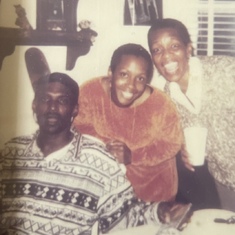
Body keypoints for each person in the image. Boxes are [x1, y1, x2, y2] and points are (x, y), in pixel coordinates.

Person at [0, 72, 191, 234]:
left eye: (62, 101)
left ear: (74, 110)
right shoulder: (10, 153)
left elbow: (127, 215)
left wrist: (162, 211)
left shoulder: (98, 161)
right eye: (45, 99)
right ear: (34, 105)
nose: (52, 107)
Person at [73, 43, 183, 203]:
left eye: (140, 78)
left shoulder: (162, 105)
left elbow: (171, 144)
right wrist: (106, 147)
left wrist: (132, 155)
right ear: (111, 72)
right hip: (106, 193)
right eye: (124, 74)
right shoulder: (90, 92)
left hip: (154, 194)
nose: (131, 86)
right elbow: (80, 126)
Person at [147, 18, 235, 211]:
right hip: (225, 186)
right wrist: (183, 152)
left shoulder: (226, 70)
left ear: (189, 49)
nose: (166, 56)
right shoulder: (166, 100)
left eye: (174, 46)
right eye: (157, 50)